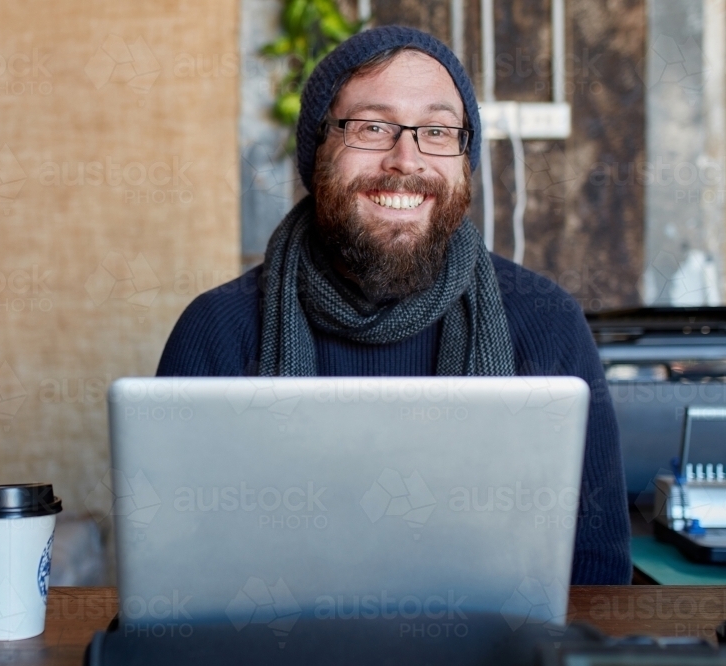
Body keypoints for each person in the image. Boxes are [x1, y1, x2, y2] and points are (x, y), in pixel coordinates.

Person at [158, 25, 630, 584]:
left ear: (465, 160)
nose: (405, 159)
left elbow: (597, 578)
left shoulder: (546, 323)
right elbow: (175, 577)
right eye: (372, 127)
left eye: (436, 130)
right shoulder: (218, 330)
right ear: (317, 154)